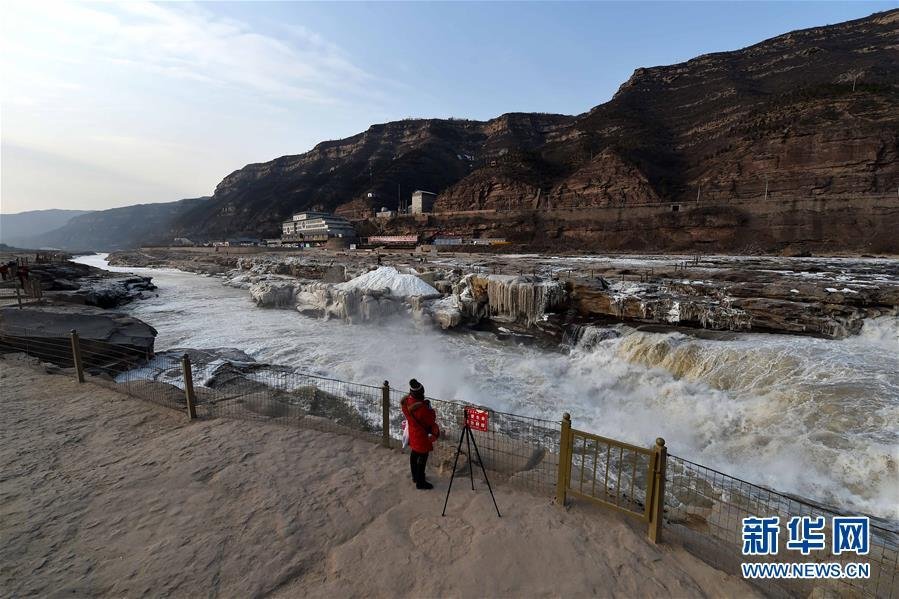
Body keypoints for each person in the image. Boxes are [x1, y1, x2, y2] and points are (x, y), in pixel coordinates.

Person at [401, 378, 440, 490]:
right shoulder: (423, 409)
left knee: (414, 454)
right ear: (421, 393)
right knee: (422, 457)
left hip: (412, 432)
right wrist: (430, 408)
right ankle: (420, 482)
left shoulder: (406, 402)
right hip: (422, 436)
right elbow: (431, 421)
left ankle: (415, 477)